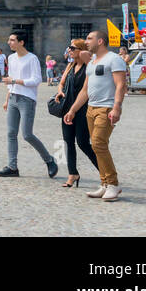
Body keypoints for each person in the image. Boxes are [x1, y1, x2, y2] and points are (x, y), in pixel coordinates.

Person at [64, 29, 126, 200]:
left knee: (99, 144)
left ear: (100, 41)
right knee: (96, 145)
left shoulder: (114, 59)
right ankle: (105, 183)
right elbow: (85, 90)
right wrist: (73, 110)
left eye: (90, 38)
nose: (86, 41)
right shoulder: (91, 63)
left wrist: (117, 107)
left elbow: (121, 85)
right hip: (91, 108)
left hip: (106, 108)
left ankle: (113, 184)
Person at [0, 31, 59, 180]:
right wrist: (7, 98)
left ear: (21, 42)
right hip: (13, 98)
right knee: (11, 134)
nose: (9, 42)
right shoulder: (11, 58)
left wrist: (14, 81)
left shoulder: (32, 59)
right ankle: (12, 167)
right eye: (9, 40)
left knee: (27, 134)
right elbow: (10, 80)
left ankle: (49, 160)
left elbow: (36, 80)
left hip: (27, 99)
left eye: (12, 40)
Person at [55, 40, 99, 188]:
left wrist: (74, 109)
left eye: (72, 48)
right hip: (67, 109)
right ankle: (72, 173)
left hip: (82, 110)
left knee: (83, 143)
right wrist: (60, 91)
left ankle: (105, 171)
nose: (69, 50)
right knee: (68, 142)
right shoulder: (70, 65)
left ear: (81, 50)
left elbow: (84, 91)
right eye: (69, 48)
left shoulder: (88, 67)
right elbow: (61, 83)